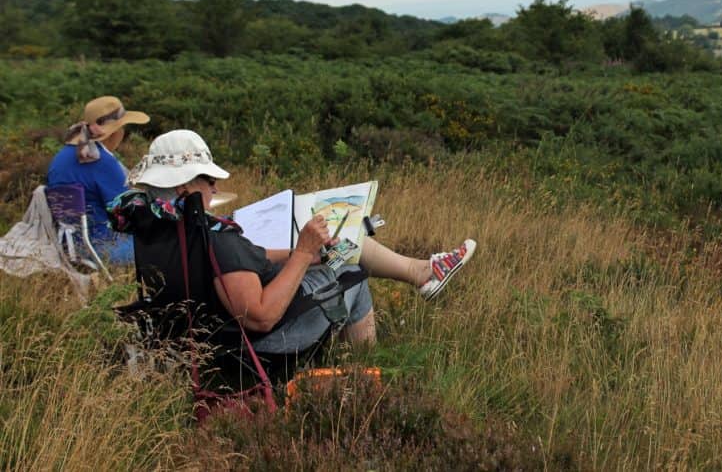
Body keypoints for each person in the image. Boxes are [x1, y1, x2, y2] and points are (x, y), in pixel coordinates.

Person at [112, 129, 475, 351]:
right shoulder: (213, 239)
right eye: (209, 180)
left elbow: (238, 264)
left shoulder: (156, 224)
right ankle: (364, 373)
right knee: (352, 277)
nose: (216, 187)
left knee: (340, 253)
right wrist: (302, 254)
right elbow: (261, 318)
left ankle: (422, 272)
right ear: (185, 186)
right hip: (246, 347)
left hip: (195, 335)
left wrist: (309, 254)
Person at [47, 95, 150, 264]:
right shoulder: (102, 161)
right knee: (170, 240)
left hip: (69, 245)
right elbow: (129, 211)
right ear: (116, 132)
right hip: (103, 247)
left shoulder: (60, 158)